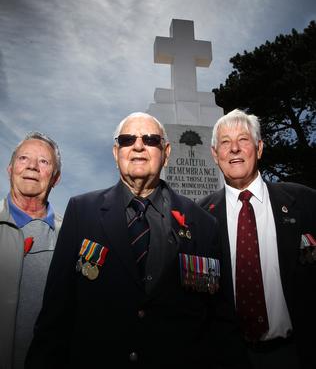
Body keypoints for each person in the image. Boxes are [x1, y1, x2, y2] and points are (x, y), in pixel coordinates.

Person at [26, 112, 248, 369]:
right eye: (127, 139)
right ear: (115, 152)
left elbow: (221, 323)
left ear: (166, 152)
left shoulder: (203, 223)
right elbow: (56, 316)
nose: (138, 146)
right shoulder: (82, 212)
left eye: (151, 139)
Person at [199, 109, 316, 369]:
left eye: (243, 140)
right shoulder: (199, 217)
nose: (234, 149)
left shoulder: (305, 203)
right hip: (228, 357)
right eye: (225, 143)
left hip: (296, 354)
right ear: (215, 155)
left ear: (259, 148)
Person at [0, 131, 62, 369]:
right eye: (24, 158)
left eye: (44, 161)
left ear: (55, 178)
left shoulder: (72, 235)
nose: (32, 167)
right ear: (10, 168)